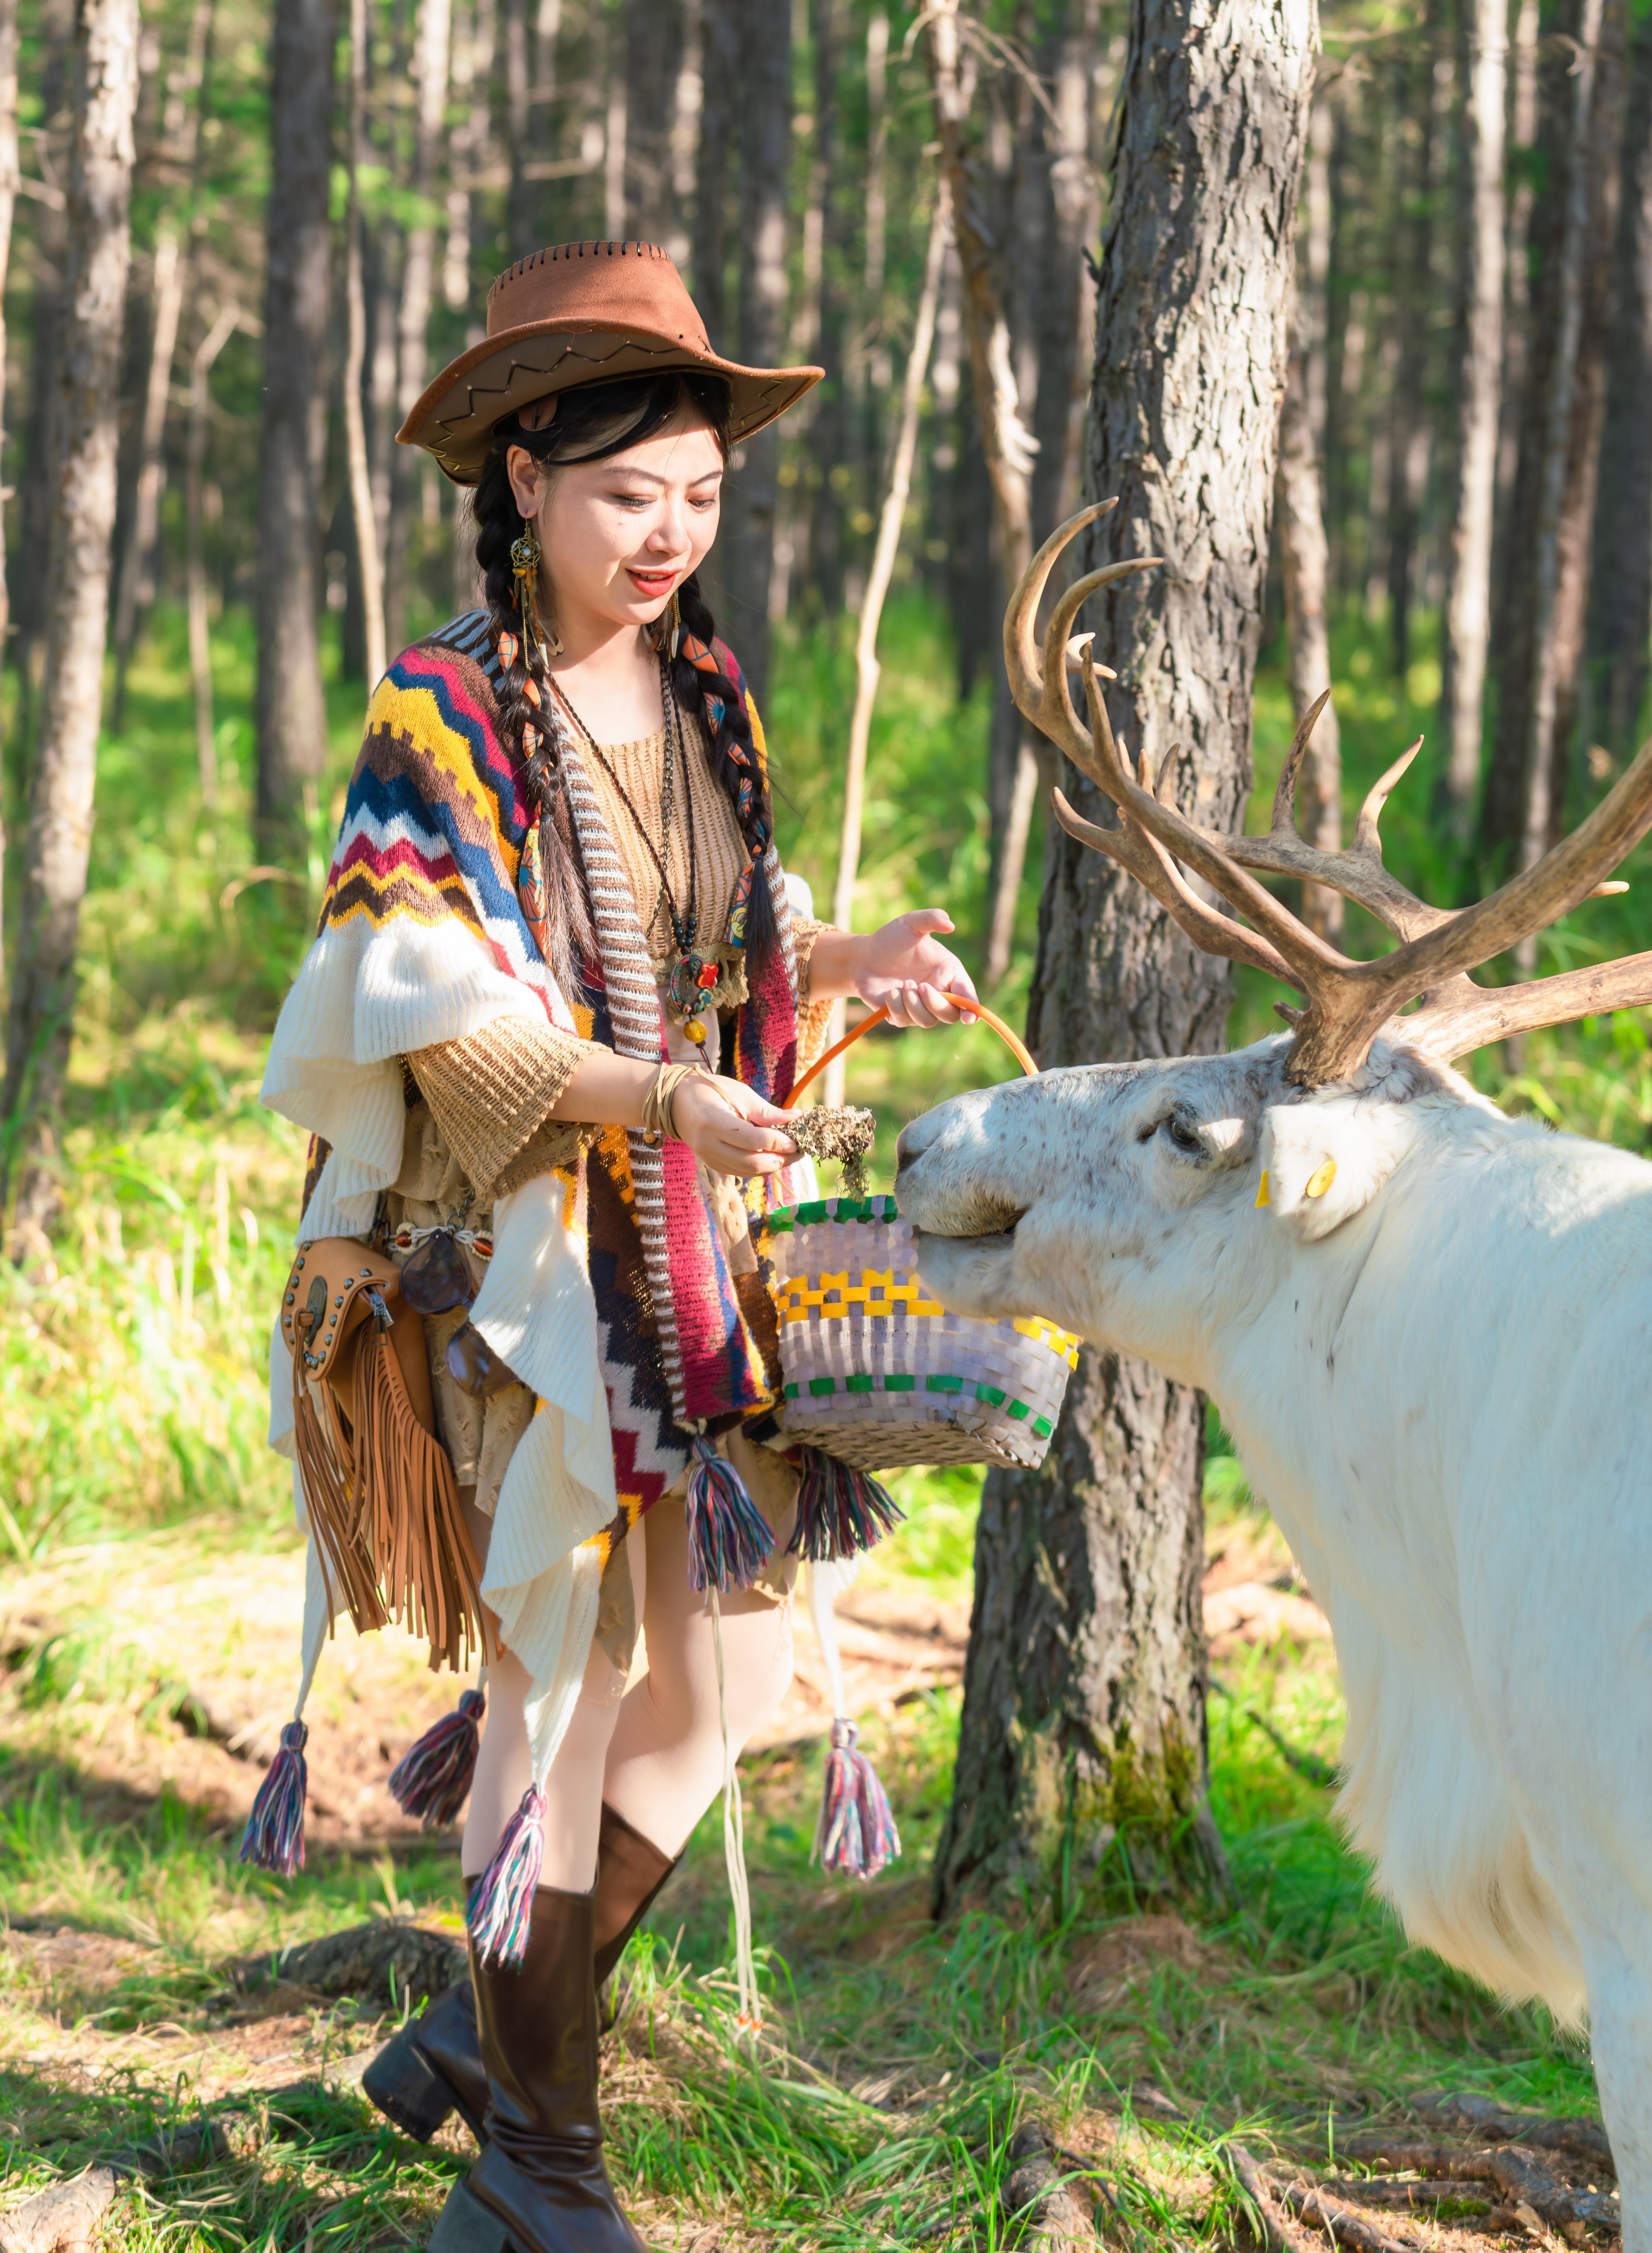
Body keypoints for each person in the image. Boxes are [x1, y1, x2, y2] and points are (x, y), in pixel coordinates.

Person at [259, 240, 977, 2253]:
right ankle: (538, 2171)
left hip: (679, 1251)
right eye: (626, 495)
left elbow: (718, 948)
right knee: (559, 1686)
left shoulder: (704, 691)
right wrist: (657, 1099)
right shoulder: (443, 710)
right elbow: (433, 1013)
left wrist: (856, 963)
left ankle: (499, 2037)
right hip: (502, 1271)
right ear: (522, 484)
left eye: (702, 496)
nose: (669, 536)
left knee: (721, 1663)